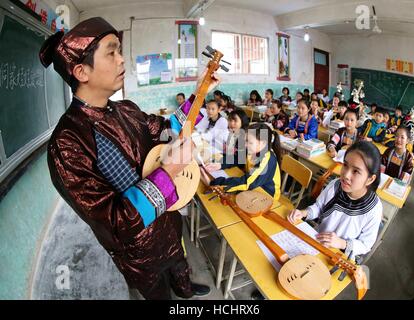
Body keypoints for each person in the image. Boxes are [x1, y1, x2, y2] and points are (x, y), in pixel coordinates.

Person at [39, 17, 220, 300]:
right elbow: (113, 222)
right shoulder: (67, 144)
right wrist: (169, 171)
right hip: (139, 251)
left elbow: (167, 131)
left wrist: (200, 93)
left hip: (168, 222)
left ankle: (185, 289)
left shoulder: (126, 109)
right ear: (81, 71)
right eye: (112, 52)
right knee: (155, 290)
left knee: (178, 262)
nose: (122, 59)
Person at [288, 141, 383, 259]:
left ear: (370, 179)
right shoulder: (335, 185)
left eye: (356, 171)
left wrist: (341, 243)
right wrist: (303, 213)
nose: (346, 175)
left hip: (340, 257)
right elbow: (319, 207)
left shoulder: (374, 208)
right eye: (345, 165)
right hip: (317, 242)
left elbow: (365, 245)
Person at [201, 123, 282, 200]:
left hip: (266, 196)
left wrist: (214, 183)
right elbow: (237, 158)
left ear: (262, 144)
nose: (245, 145)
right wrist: (220, 165)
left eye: (249, 142)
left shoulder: (267, 161)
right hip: (252, 188)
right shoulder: (252, 149)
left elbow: (247, 183)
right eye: (246, 140)